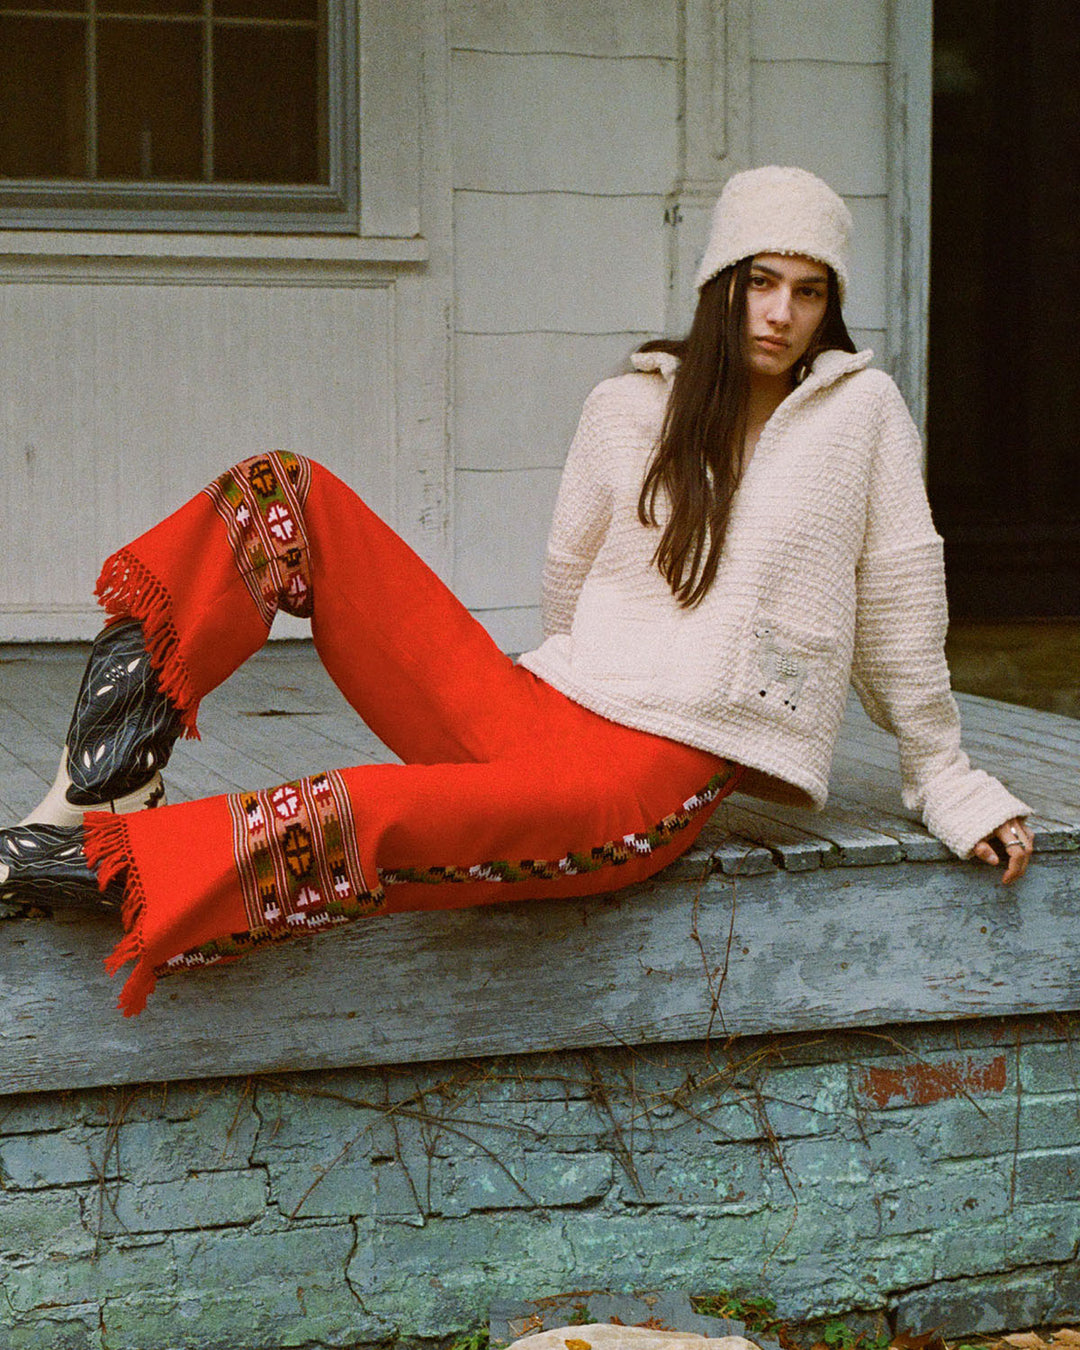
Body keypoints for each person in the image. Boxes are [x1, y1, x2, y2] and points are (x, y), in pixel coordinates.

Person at [0, 166, 1033, 1016]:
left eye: (810, 292)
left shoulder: (864, 416)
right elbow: (567, 581)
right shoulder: (630, 404)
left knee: (364, 803)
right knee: (284, 491)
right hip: (547, 705)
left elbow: (901, 607)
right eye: (762, 280)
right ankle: (99, 786)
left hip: (649, 776)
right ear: (722, 281)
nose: (782, 312)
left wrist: (947, 781)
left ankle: (92, 865)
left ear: (830, 305)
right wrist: (551, 707)